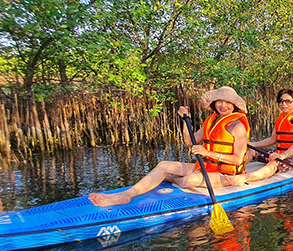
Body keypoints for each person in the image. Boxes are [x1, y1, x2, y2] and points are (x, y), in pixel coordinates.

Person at [88, 86, 250, 207]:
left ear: (234, 105)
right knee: (163, 165)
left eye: (227, 102)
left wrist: (207, 152)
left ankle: (169, 177)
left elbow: (236, 160)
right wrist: (185, 119)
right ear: (214, 104)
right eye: (219, 102)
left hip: (226, 173)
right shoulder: (211, 121)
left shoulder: (238, 127)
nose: (223, 105)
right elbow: (190, 141)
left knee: (189, 180)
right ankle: (125, 195)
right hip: (206, 167)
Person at [226, 89, 293, 185]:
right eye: (281, 101)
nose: (284, 104)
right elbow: (272, 139)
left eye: (288, 101)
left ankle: (244, 178)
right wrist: (252, 144)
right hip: (279, 153)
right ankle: (233, 170)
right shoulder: (280, 119)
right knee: (252, 151)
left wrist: (282, 156)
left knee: (274, 163)